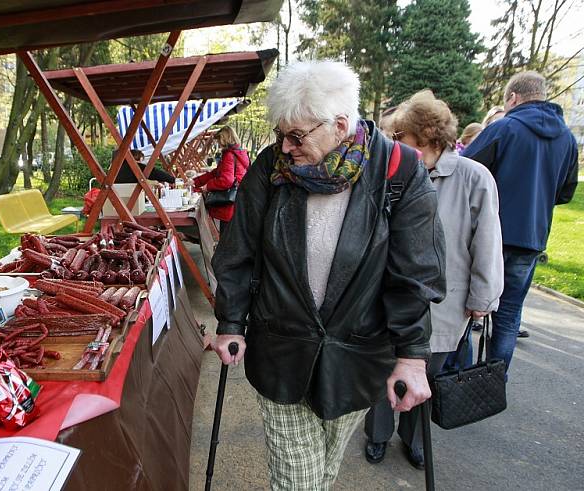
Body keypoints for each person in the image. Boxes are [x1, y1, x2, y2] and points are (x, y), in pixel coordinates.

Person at [210, 60, 446, 489]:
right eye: (281, 135)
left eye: (296, 136)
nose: (285, 147)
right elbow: (236, 252)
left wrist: (412, 356)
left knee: (321, 474)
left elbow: (415, 273)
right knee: (298, 482)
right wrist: (231, 323)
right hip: (279, 351)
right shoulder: (269, 170)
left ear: (339, 125)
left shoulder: (399, 170)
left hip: (356, 358)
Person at [364, 90, 503, 469]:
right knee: (382, 367)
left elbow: (488, 244)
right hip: (388, 297)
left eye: (401, 137)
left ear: (424, 138)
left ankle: (414, 437)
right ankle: (376, 434)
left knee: (426, 372)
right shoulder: (394, 171)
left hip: (445, 304)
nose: (394, 143)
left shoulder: (474, 177)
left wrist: (483, 297)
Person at [463, 70, 578, 371]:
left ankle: (454, 376)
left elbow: (466, 171)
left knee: (467, 306)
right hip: (532, 236)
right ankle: (495, 380)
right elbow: (565, 192)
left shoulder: (505, 128)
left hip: (490, 234)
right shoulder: (567, 138)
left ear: (512, 98)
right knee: (510, 313)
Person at [192, 126, 250, 231]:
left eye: (219, 141)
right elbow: (216, 173)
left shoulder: (229, 155)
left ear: (224, 139)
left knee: (227, 237)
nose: (218, 144)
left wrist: (208, 186)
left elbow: (226, 180)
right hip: (238, 199)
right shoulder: (239, 153)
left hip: (230, 203)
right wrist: (196, 182)